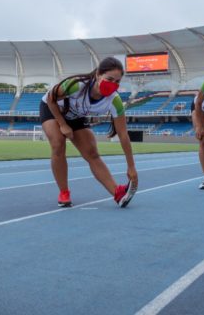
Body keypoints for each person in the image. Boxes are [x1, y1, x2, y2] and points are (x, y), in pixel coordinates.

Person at [40, 57, 138, 208]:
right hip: (53, 109)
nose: (113, 84)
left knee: (92, 153)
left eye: (117, 82)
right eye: (109, 79)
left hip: (76, 115)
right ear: (98, 74)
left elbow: (123, 135)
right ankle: (64, 192)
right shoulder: (77, 85)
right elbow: (51, 99)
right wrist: (62, 124)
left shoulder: (115, 101)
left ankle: (117, 193)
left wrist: (131, 167)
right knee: (58, 144)